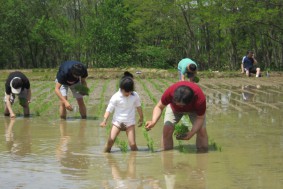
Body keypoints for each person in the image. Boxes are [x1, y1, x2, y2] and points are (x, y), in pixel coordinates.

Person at [145, 81, 208, 152]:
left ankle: (202, 154)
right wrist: (153, 121)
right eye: (177, 103)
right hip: (174, 109)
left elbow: (200, 118)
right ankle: (167, 155)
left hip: (194, 110)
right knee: (167, 129)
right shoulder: (170, 92)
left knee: (201, 131)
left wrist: (192, 133)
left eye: (181, 105)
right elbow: (159, 107)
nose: (180, 106)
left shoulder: (199, 99)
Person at [100, 72, 144, 153]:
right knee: (110, 141)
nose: (127, 94)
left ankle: (134, 160)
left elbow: (139, 107)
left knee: (133, 144)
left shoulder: (135, 96)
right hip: (117, 123)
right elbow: (109, 109)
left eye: (129, 92)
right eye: (125, 92)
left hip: (130, 123)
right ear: (121, 88)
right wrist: (104, 120)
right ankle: (105, 155)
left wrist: (141, 118)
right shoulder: (116, 96)